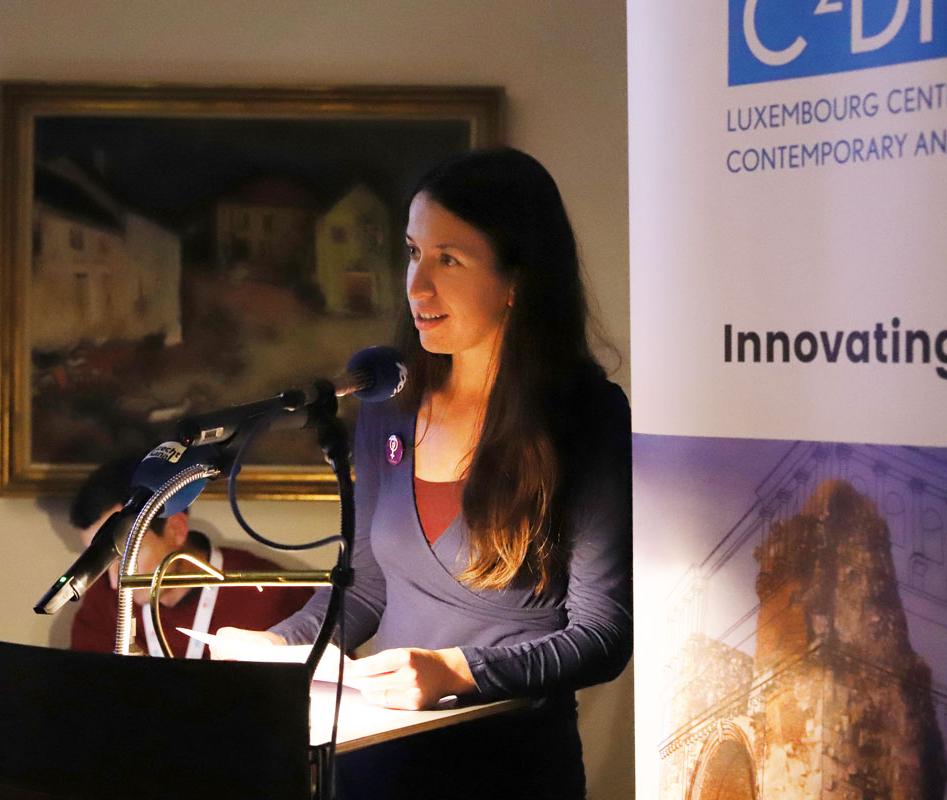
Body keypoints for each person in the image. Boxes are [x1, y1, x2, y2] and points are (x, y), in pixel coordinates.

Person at [214, 147, 633, 798]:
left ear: (517, 279)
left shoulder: (586, 416)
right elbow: (365, 589)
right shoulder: (388, 403)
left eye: (449, 259)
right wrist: (280, 646)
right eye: (413, 253)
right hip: (376, 769)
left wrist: (459, 671)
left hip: (510, 774)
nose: (417, 286)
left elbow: (602, 635)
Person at [67, 456, 314, 657]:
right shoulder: (103, 602)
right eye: (103, 559)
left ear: (176, 529)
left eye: (126, 556)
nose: (114, 582)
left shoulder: (269, 592)